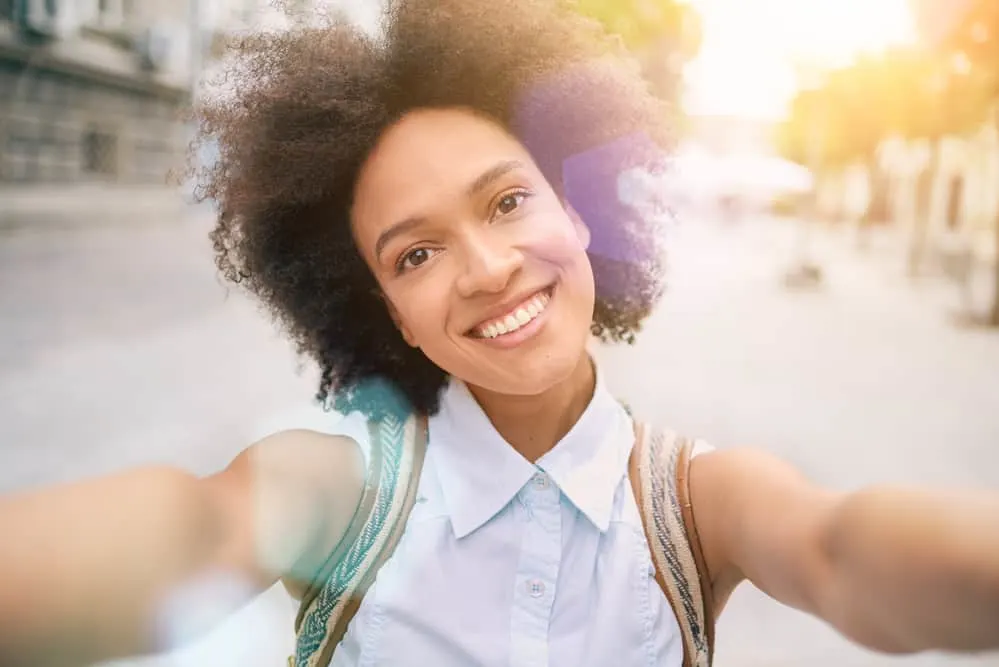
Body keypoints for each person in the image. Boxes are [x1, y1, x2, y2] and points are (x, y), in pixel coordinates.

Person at [2, 1, 998, 665]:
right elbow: (190, 525)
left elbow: (843, 550)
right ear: (384, 311)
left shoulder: (697, 505)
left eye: (510, 200)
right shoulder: (344, 494)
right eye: (415, 255)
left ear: (579, 210)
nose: (484, 267)